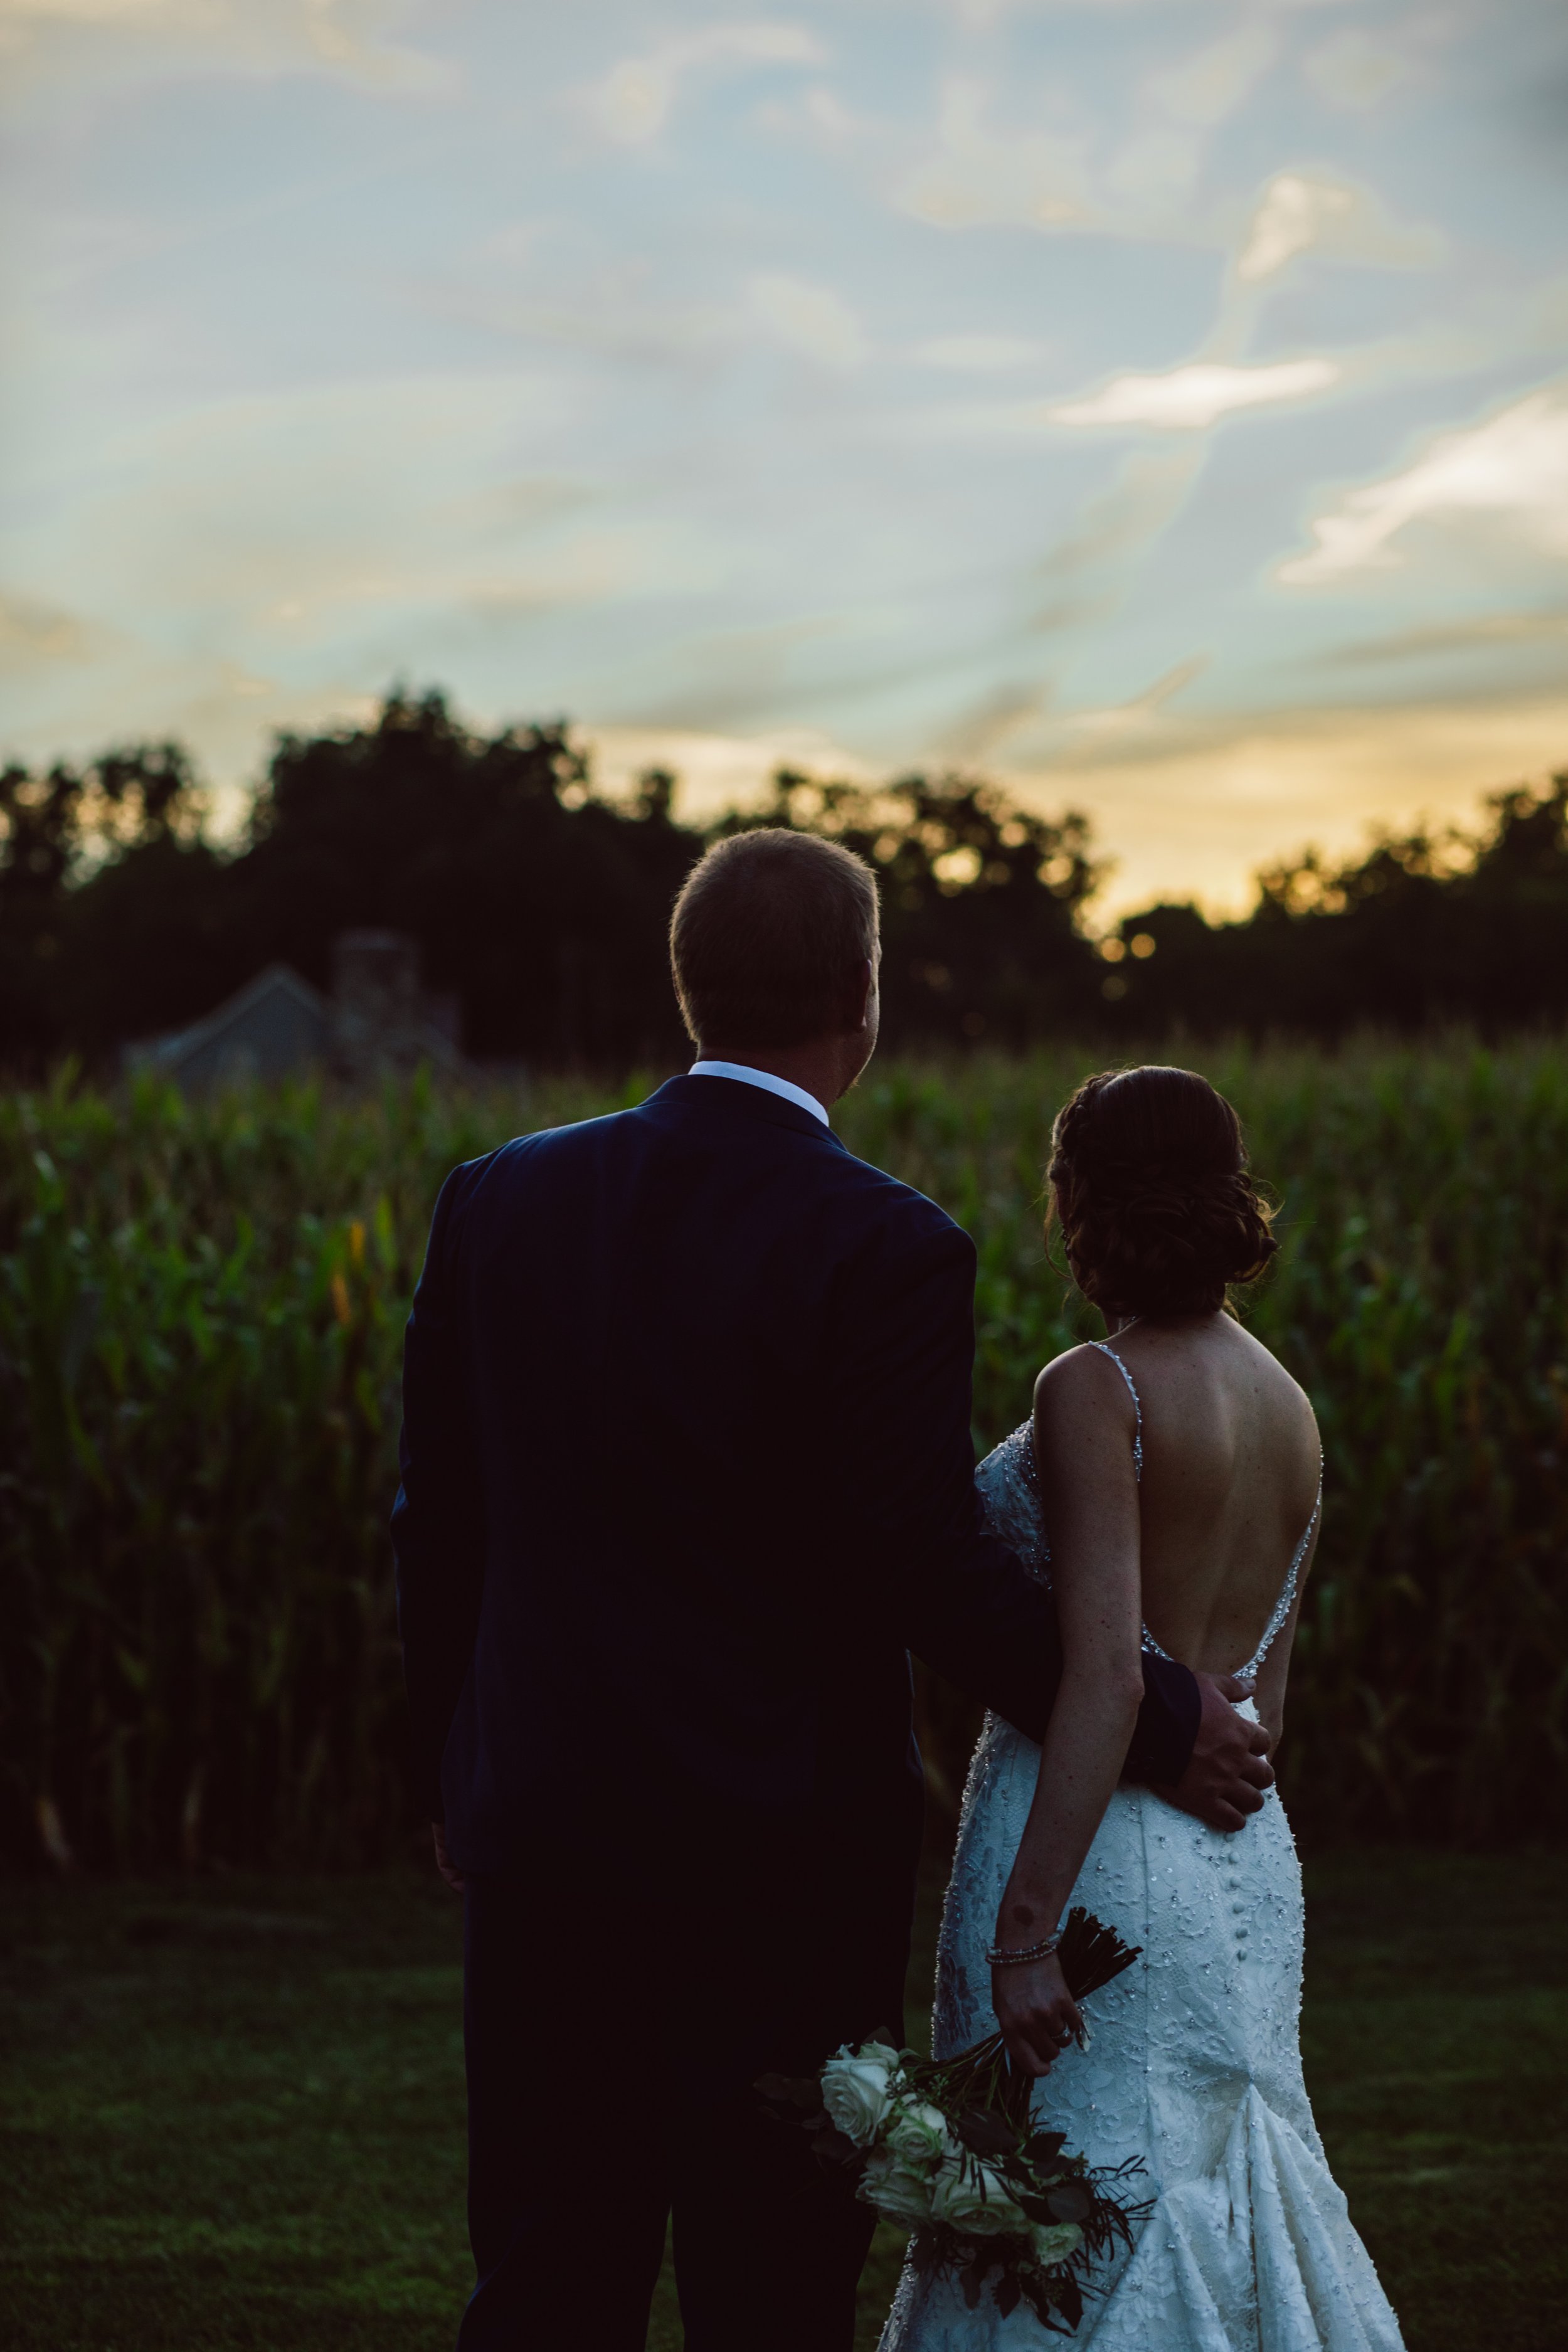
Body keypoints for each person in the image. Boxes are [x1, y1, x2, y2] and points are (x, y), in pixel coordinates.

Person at [391, 835, 1273, 2352]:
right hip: (779, 1869)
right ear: (861, 1001)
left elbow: (438, 1522)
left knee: (543, 2276)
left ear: (689, 992)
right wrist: (1153, 1717)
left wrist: (446, 1769)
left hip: (542, 1836)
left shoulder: (498, 1199)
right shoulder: (885, 1243)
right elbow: (921, 1560)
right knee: (777, 2284)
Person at [882, 1065, 1404, 2351]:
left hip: (1091, 1849)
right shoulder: (1287, 1404)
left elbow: (1106, 1678)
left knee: (1074, 2183)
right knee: (1218, 2176)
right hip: (1236, 1864)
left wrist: (1021, 1934)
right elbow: (1245, 1712)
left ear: (1078, 1200)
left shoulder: (1094, 1389)